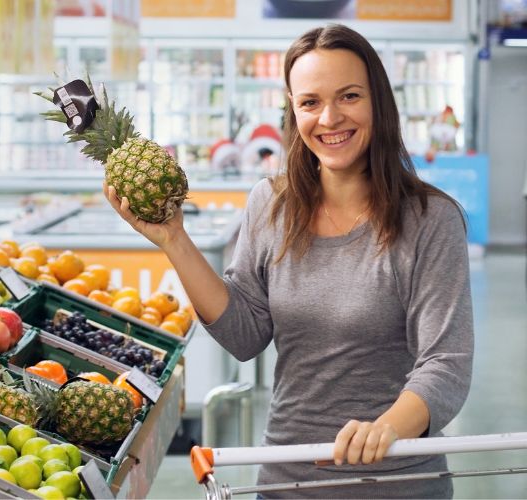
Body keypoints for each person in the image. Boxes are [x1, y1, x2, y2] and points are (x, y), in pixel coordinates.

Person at [104, 24, 473, 499]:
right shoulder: (270, 203)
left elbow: (447, 362)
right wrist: (174, 240)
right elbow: (244, 333)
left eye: (350, 96)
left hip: (399, 482)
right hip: (288, 480)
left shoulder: (430, 219)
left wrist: (385, 428)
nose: (330, 118)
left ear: (378, 102)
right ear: (293, 111)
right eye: (310, 102)